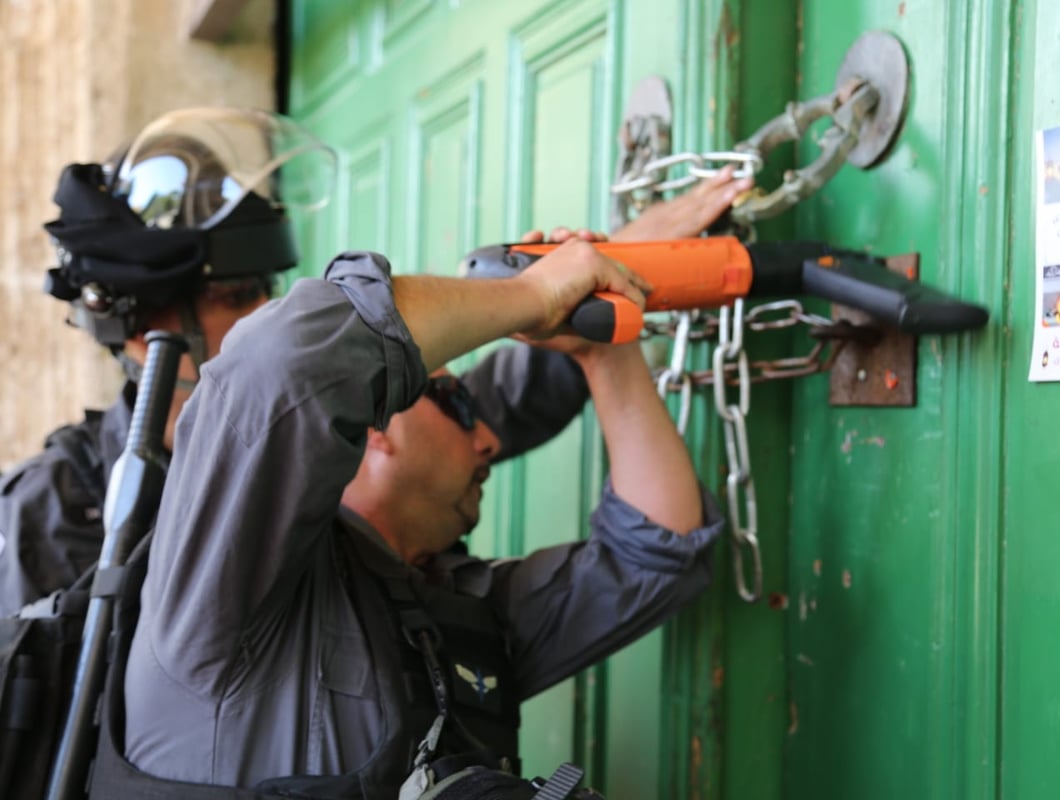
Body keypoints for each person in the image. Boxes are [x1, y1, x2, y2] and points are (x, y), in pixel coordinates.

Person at [102, 161, 751, 797]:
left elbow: (656, 554)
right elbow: (280, 363)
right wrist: (529, 296)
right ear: (375, 424)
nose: (491, 438)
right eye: (460, 406)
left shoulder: (445, 608)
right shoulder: (221, 588)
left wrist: (603, 350)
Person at [2, 106, 736, 617]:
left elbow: (483, 412)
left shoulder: (329, 434)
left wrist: (608, 272)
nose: (267, 314)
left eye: (267, 289)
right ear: (144, 336)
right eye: (235, 297)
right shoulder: (58, 511)